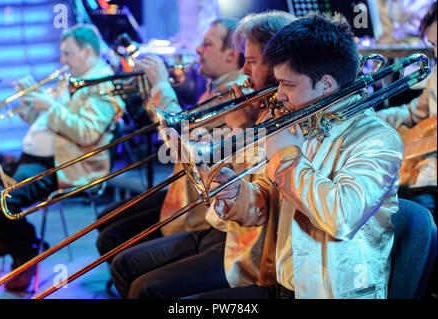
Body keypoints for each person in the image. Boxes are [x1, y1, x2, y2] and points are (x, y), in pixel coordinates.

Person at [192, 13, 404, 299]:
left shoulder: (377, 138)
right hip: (282, 283)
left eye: (288, 85)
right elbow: (266, 205)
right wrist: (235, 192)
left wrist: (285, 157)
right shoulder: (300, 121)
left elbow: (342, 216)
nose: (278, 95)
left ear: (327, 84)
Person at [108, 10, 295, 299]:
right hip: (218, 224)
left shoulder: (275, 115)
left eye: (252, 61)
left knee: (142, 284)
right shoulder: (247, 101)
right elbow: (187, 143)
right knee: (124, 259)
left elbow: (255, 195)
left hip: (240, 243)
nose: (245, 70)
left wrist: (240, 131)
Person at [95, 18, 246, 262]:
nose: (198, 50)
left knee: (113, 240)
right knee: (106, 221)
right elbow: (171, 128)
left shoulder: (233, 94)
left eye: (207, 44)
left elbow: (183, 141)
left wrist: (161, 86)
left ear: (231, 53)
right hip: (179, 193)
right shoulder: (215, 86)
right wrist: (151, 92)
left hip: (195, 210)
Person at [0, 24, 125, 291]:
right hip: (33, 158)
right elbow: (42, 121)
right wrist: (30, 102)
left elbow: (87, 132)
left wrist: (50, 106)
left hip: (63, 165)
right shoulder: (71, 79)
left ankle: (26, 249)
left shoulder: (103, 84)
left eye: (67, 53)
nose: (62, 60)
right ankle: (19, 243)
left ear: (87, 52)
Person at [377, 1, 437, 299]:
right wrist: (377, 118)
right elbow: (417, 111)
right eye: (433, 45)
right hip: (419, 172)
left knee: (414, 221)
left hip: (431, 182)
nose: (436, 54)